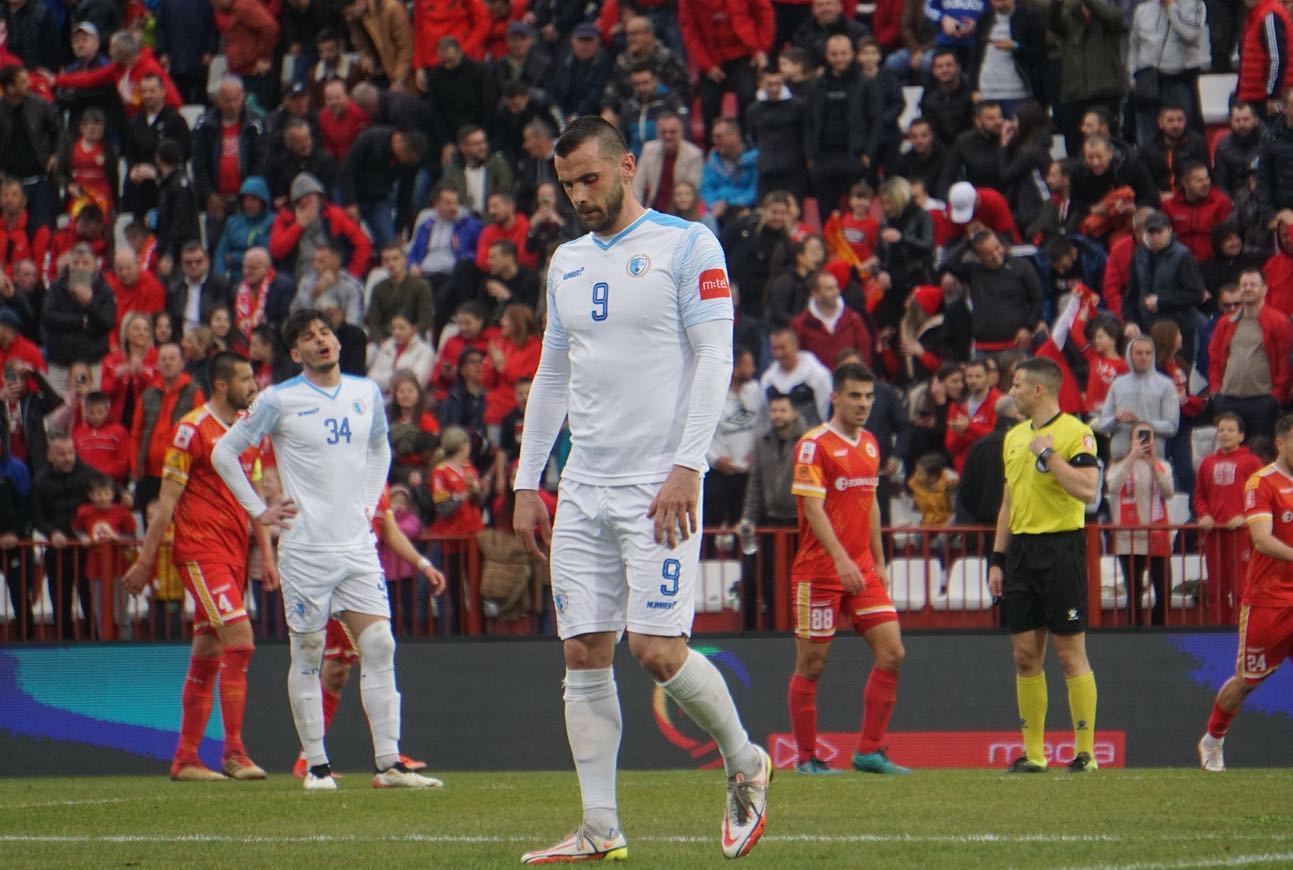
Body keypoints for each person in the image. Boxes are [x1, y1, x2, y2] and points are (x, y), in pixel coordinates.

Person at [512, 117, 771, 862]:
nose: (578, 196)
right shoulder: (564, 260)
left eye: (589, 179)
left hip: (657, 484)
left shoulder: (689, 246)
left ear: (628, 166)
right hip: (584, 486)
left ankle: (744, 760)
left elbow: (715, 357)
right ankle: (599, 827)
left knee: (656, 650)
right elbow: (550, 375)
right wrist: (529, 479)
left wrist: (688, 465)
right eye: (566, 186)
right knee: (584, 653)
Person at [212, 308, 441, 791]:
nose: (322, 341)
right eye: (309, 338)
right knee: (310, 651)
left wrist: (367, 500)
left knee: (380, 644)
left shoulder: (365, 394)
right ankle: (316, 766)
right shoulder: (278, 399)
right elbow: (224, 451)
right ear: (296, 353)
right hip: (307, 550)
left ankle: (389, 766)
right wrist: (258, 509)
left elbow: (381, 449)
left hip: (356, 546)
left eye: (326, 333)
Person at [121, 353, 270, 780]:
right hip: (200, 552)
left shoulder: (249, 433)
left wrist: (268, 556)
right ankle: (235, 752)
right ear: (222, 385)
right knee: (240, 640)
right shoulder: (190, 430)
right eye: (245, 379)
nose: (253, 385)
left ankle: (185, 758)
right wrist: (148, 561)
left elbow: (255, 497)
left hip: (234, 553)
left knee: (208, 653)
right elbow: (165, 504)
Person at [785, 362, 908, 775]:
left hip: (862, 570)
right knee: (812, 664)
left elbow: (870, 502)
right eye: (854, 396)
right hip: (820, 571)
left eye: (869, 397)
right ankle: (806, 758)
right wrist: (839, 557)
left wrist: (879, 559)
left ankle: (869, 751)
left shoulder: (871, 444)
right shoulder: (813, 445)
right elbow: (812, 507)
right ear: (835, 398)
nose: (863, 404)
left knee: (892, 652)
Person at [988, 356, 1101, 773]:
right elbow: (1009, 501)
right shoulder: (1013, 437)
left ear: (1039, 390)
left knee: (1070, 653)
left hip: (1061, 549)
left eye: (1016, 385)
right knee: (1023, 656)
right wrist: (997, 559)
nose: (1011, 392)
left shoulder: (1077, 433)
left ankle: (1085, 752)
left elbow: (1088, 492)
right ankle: (1034, 755)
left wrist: (1051, 457)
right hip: (1021, 553)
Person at [1198, 412, 1293, 772]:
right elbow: (1262, 540)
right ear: (1282, 443)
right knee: (1247, 681)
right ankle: (1213, 739)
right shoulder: (1262, 482)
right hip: (1269, 600)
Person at [1207, 269, 1293, 442]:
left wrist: (1276, 396)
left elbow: (1286, 362)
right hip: (1228, 400)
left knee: (1260, 454)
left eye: (1253, 284)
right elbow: (1215, 358)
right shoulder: (1226, 322)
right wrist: (1216, 390)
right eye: (1244, 285)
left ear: (1265, 289)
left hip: (1262, 401)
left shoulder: (1279, 322)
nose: (1247, 288)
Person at [1195, 412, 1263, 623]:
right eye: (1221, 430)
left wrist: (1245, 517)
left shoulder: (1252, 462)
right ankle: (1218, 630)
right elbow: (1199, 496)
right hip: (1214, 534)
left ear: (1241, 436)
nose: (1224, 434)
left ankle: (1243, 630)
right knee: (1216, 586)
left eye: (1230, 430)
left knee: (1241, 586)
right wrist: (1203, 515)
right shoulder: (1207, 463)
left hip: (1241, 535)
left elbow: (1260, 494)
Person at [1094, 335, 1179, 460]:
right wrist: (1116, 419)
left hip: (1152, 458)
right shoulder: (1118, 384)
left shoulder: (1166, 385)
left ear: (1153, 355)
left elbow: (1172, 426)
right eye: (1139, 353)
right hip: (1120, 457)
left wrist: (1141, 422)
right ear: (1130, 355)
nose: (1143, 357)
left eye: (1148, 353)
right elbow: (1103, 423)